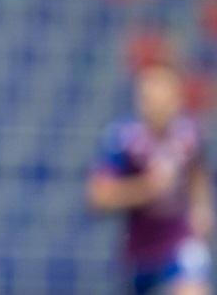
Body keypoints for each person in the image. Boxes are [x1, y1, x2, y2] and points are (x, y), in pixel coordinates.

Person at [87, 63, 214, 295]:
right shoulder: (123, 139)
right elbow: (99, 197)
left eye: (164, 96)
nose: (157, 104)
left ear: (176, 98)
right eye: (150, 96)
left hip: (179, 241)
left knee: (193, 287)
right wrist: (146, 188)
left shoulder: (189, 132)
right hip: (139, 250)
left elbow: (197, 172)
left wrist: (201, 207)